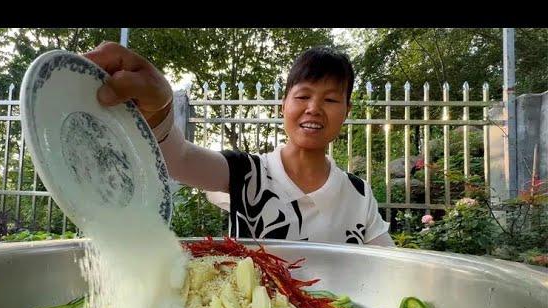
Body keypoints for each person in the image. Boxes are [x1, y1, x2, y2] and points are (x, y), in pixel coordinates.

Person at [84, 42, 394, 246]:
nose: (314, 108)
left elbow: (389, 268)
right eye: (303, 96)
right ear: (283, 105)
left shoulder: (358, 194)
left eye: (330, 99)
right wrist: (159, 111)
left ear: (346, 112)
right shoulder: (248, 172)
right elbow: (179, 159)